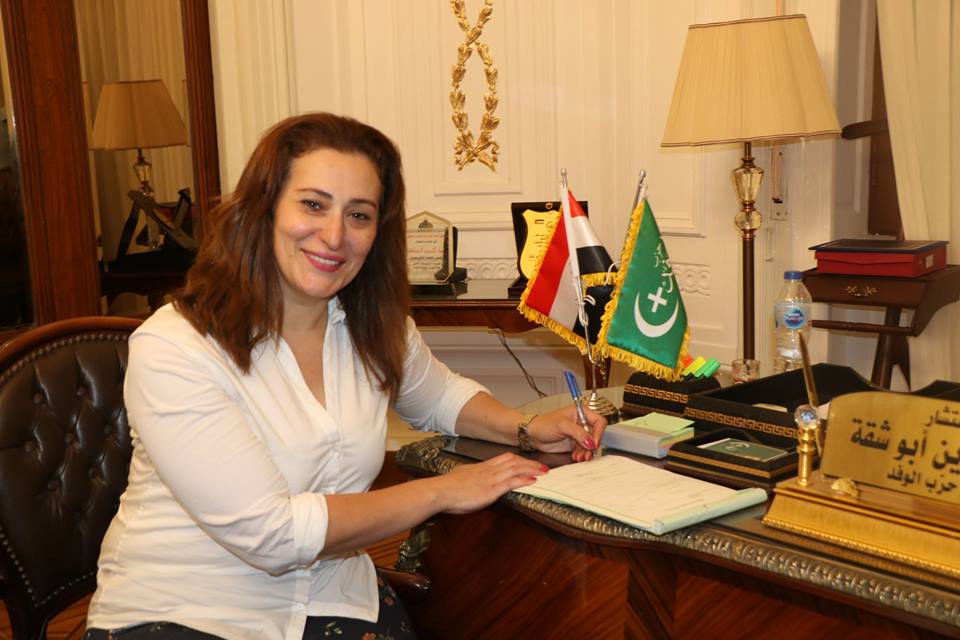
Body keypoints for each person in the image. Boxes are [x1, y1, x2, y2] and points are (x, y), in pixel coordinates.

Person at [84, 112, 606, 640]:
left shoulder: (373, 326)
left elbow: (440, 396)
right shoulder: (176, 346)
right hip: (188, 611)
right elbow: (271, 535)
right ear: (264, 209)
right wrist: (442, 492)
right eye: (313, 205)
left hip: (336, 596)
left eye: (359, 215)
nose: (335, 235)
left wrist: (527, 427)